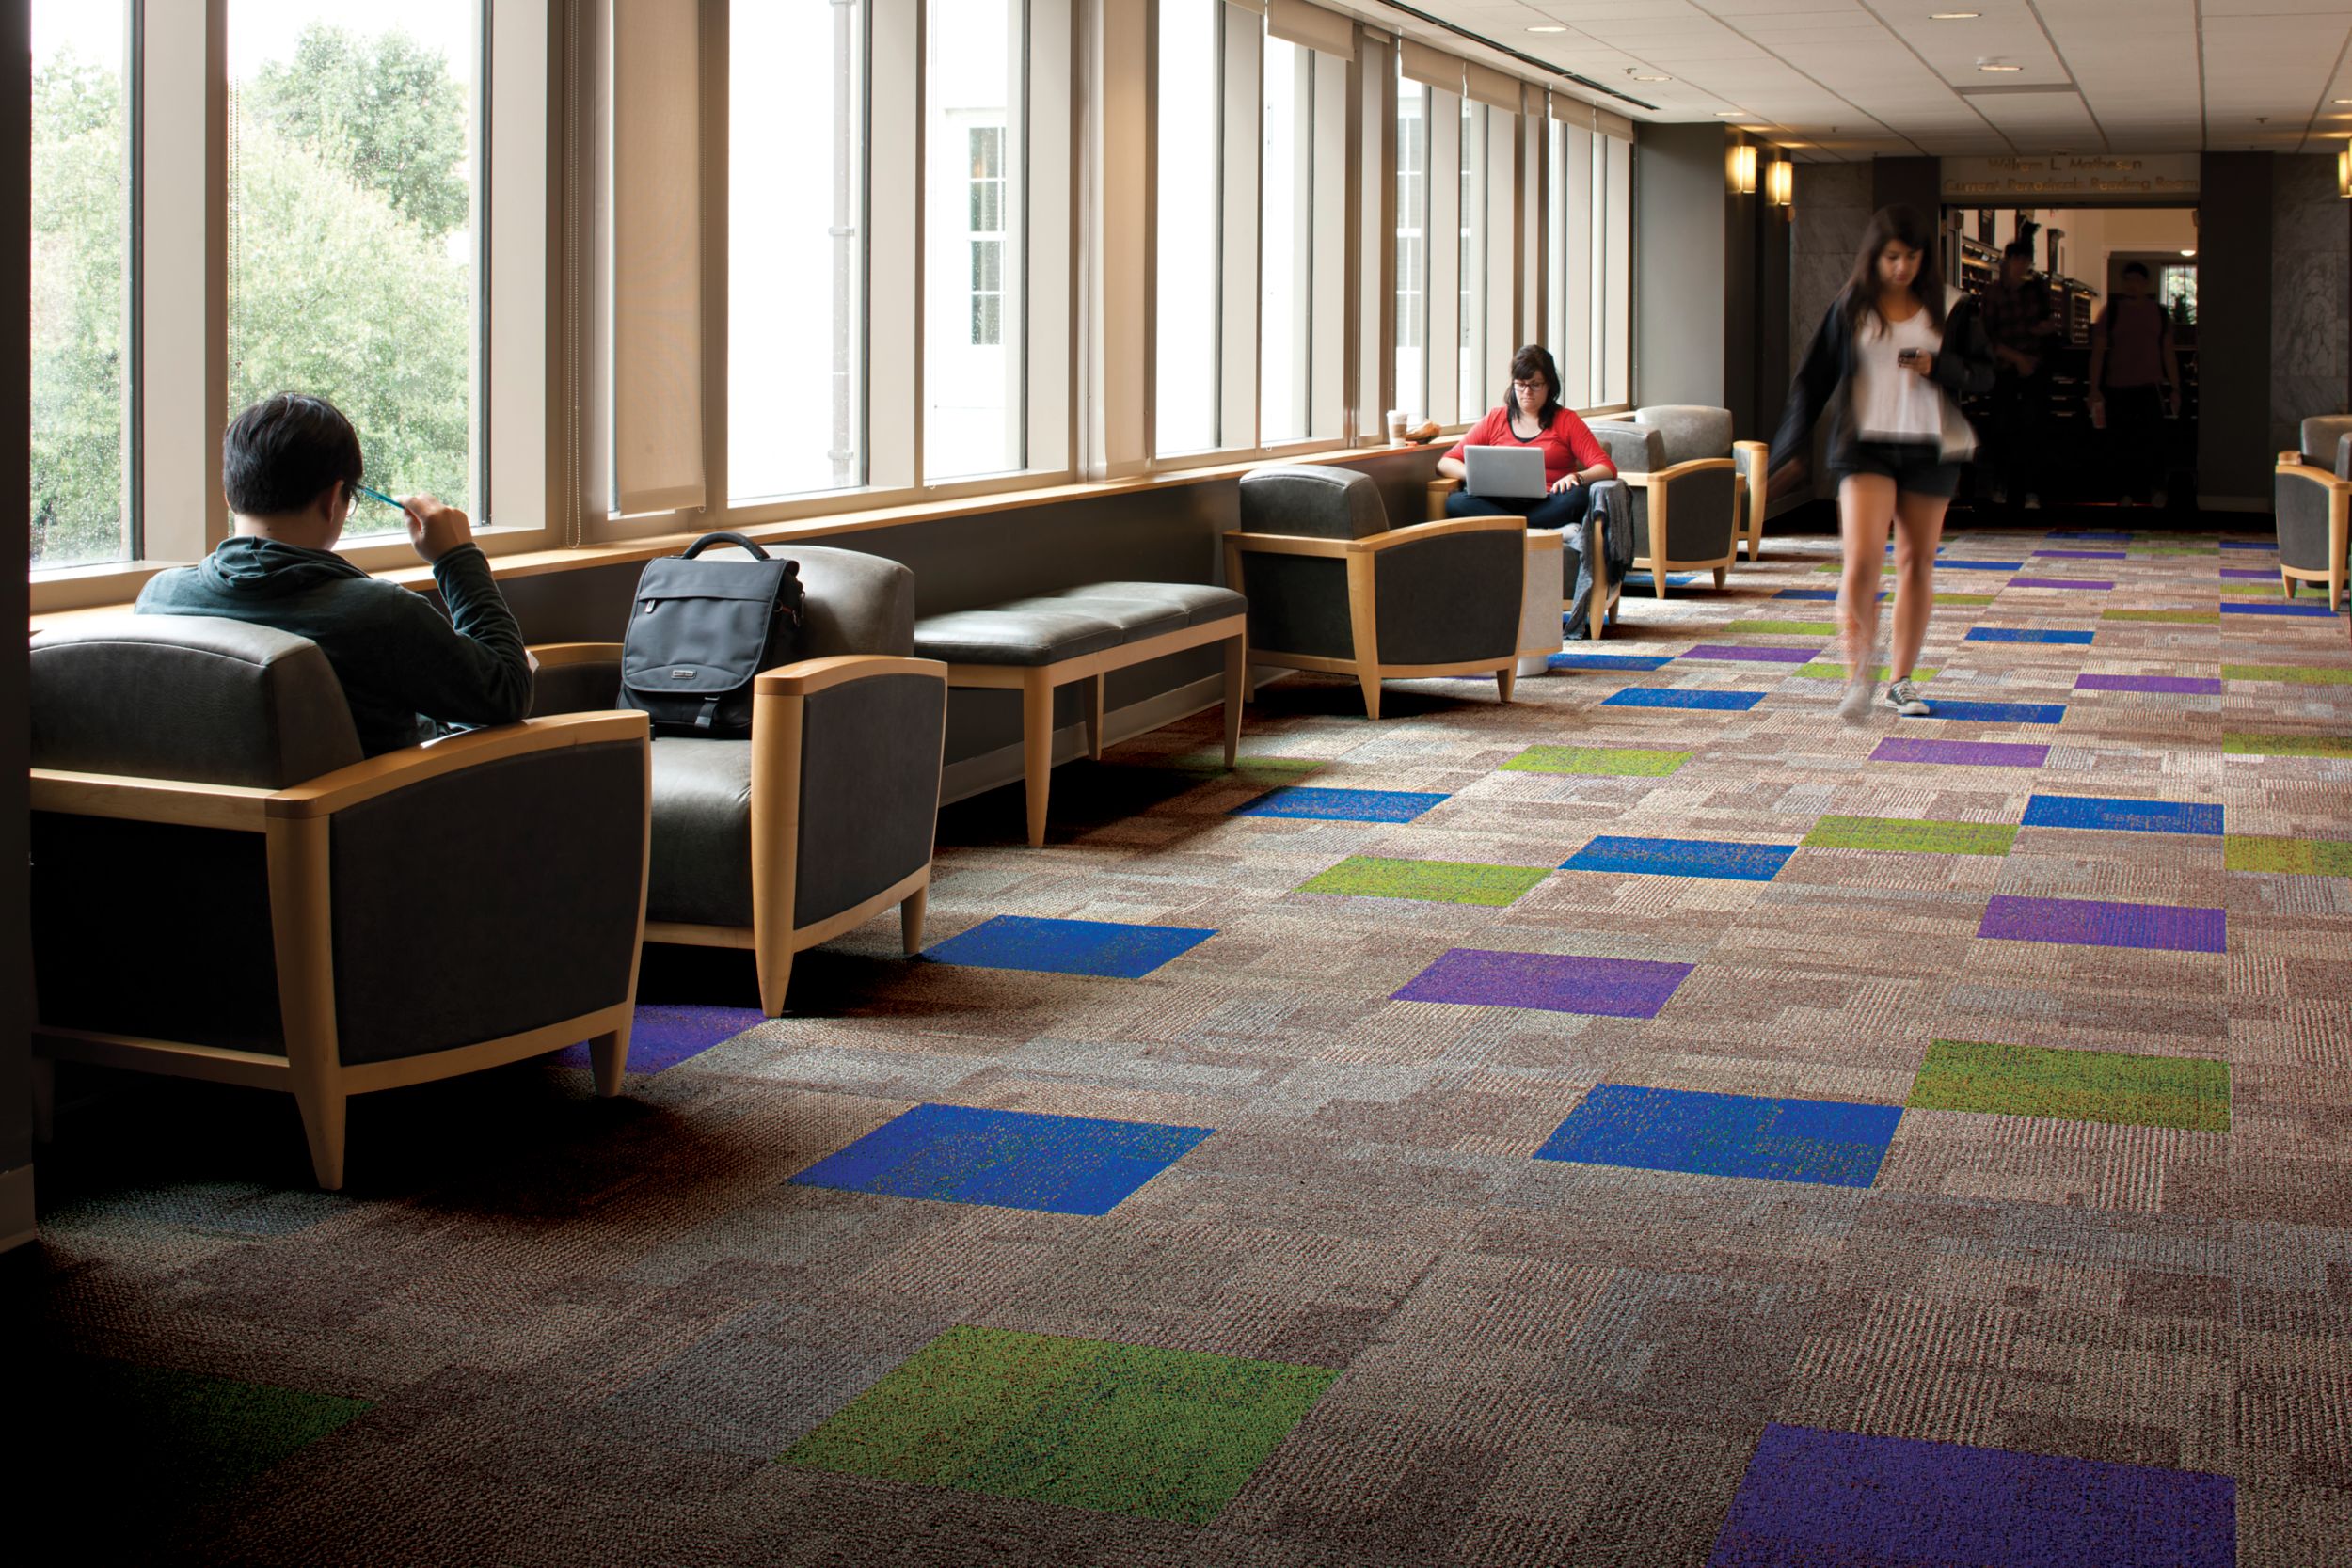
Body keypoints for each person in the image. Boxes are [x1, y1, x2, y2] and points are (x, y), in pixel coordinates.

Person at [137, 393, 533, 756]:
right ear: (333, 499)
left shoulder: (160, 599)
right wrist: (457, 557)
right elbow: (509, 691)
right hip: (382, 824)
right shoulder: (380, 614)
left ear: (229, 494)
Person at [1769, 204, 1996, 724]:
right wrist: (1789, 449)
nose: (1902, 268)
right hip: (1864, 447)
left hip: (1928, 449)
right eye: (1892, 256)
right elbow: (1812, 380)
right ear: (1875, 256)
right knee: (1862, 560)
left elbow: (1986, 377)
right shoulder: (1851, 308)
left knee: (1918, 562)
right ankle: (1856, 677)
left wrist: (1940, 366)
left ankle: (1900, 680)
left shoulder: (1952, 307)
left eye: (1912, 257)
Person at [1438, 344, 1616, 531]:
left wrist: (1577, 477)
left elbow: (1607, 467)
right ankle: (1531, 530)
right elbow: (1444, 463)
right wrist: (1475, 476)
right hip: (1499, 501)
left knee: (1577, 498)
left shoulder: (1566, 420)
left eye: (1535, 384)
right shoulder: (1496, 418)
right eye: (1521, 384)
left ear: (1549, 385)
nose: (1527, 392)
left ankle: (1511, 529)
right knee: (1455, 502)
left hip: (1548, 502)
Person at [1978, 234, 2062, 509]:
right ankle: (2001, 486)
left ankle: (2032, 491)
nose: (2023, 265)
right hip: (2004, 369)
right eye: (2019, 259)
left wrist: (2046, 330)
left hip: (2035, 370)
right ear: (2009, 260)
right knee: (2001, 429)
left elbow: (2049, 323)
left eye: (2027, 260)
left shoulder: (2037, 289)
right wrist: (2016, 357)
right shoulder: (1993, 293)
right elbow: (1986, 337)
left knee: (2034, 431)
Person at [2088, 261, 2181, 508]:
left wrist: (2175, 387)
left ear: (2146, 284)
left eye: (2137, 281)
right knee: (2121, 441)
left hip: (2150, 385)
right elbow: (2097, 351)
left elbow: (2168, 352)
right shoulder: (2112, 312)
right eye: (2128, 280)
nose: (2132, 285)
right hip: (2118, 385)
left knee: (2154, 441)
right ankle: (2125, 492)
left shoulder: (2158, 313)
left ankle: (2156, 489)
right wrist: (2093, 388)